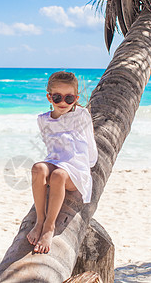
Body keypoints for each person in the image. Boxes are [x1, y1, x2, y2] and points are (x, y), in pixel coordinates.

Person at [27, 71, 98, 254]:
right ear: (49, 97)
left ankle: (49, 227)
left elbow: (91, 151)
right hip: (56, 163)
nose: (63, 103)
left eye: (69, 98)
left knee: (58, 175)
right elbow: (51, 147)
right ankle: (40, 220)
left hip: (75, 170)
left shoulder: (81, 116)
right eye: (57, 97)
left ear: (76, 98)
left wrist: (86, 168)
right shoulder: (43, 120)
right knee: (38, 168)